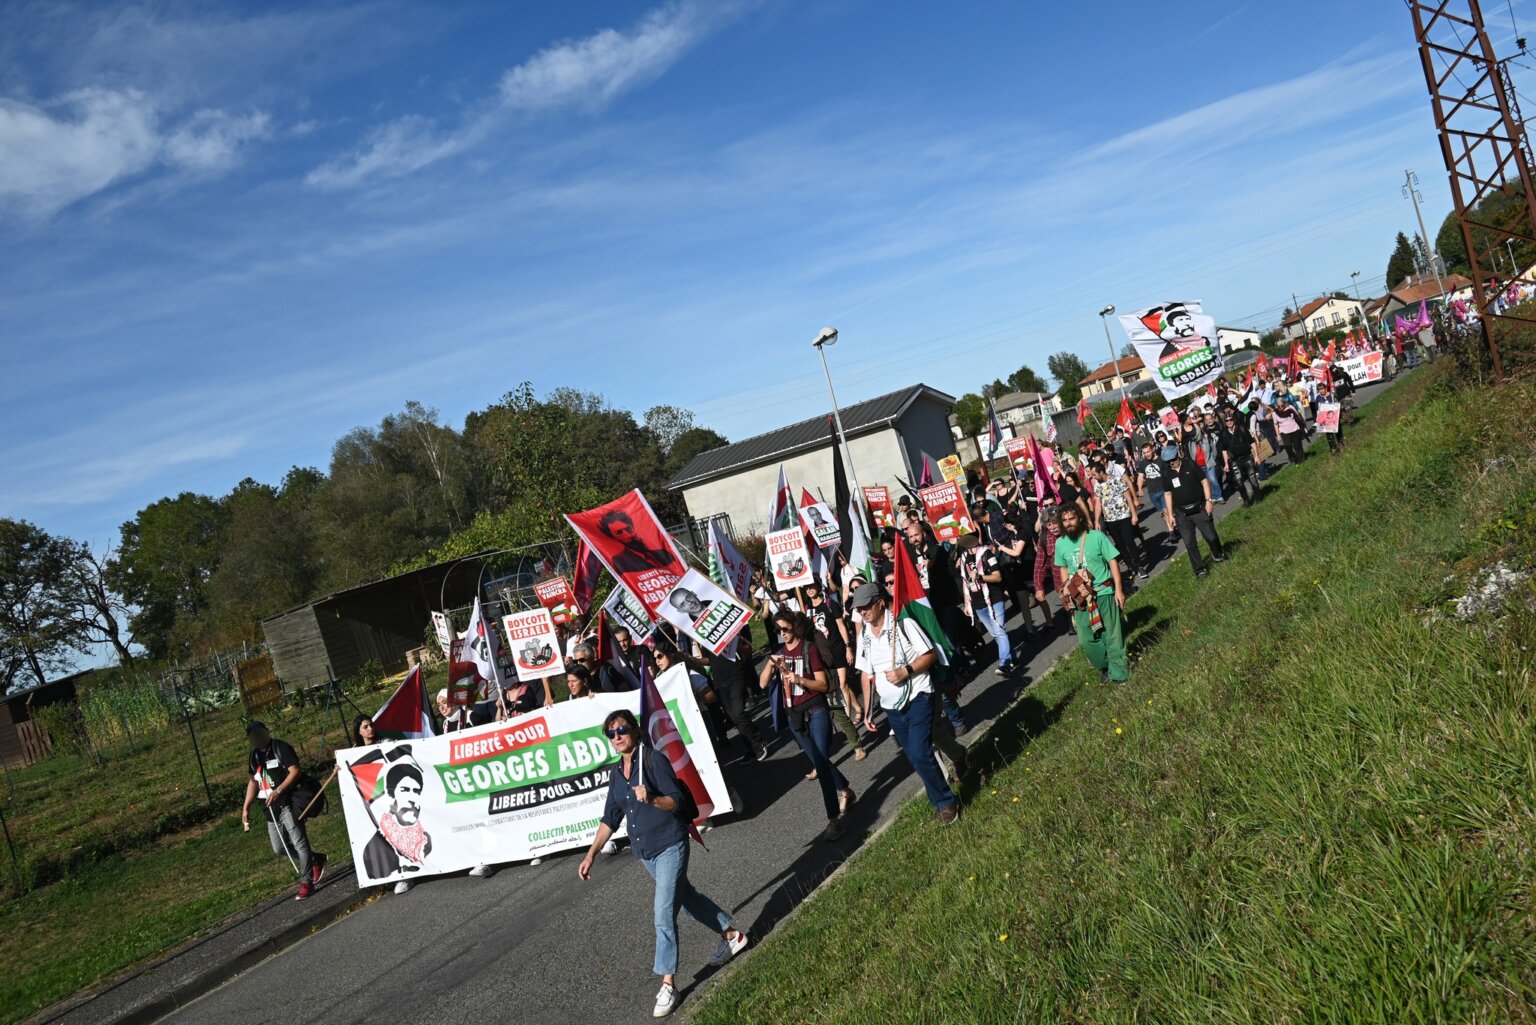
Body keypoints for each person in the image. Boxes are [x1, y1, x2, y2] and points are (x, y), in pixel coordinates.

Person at [578, 709, 748, 1018]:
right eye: (611, 733)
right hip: (646, 853)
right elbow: (609, 819)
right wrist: (591, 854)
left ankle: (668, 984)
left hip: (671, 844)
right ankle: (732, 935)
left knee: (663, 914)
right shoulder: (617, 773)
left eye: (622, 730)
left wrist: (653, 798)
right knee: (687, 900)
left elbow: (677, 801)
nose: (617, 736)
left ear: (635, 730)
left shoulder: (653, 760)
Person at [849, 582, 966, 824]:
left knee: (921, 753)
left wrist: (906, 671)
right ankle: (950, 776)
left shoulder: (903, 624)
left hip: (919, 696)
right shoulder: (864, 636)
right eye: (858, 609)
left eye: (866, 606)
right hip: (891, 706)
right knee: (914, 756)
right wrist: (868, 711)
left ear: (880, 602)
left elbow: (930, 655)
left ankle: (946, 803)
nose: (862, 612)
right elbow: (866, 674)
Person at [758, 611, 855, 840]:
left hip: (815, 709)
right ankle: (845, 790)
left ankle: (834, 820)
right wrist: (770, 665)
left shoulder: (809, 649)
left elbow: (822, 685)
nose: (782, 634)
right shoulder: (779, 653)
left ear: (794, 627)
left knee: (820, 763)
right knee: (819, 761)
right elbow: (762, 684)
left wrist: (800, 679)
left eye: (785, 629)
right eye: (778, 630)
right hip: (794, 716)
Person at [242, 721, 325, 901]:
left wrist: (279, 791)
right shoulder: (254, 755)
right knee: (279, 848)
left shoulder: (280, 748)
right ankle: (315, 859)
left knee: (299, 842)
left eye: (260, 733)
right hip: (269, 809)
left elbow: (295, 771)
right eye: (254, 736)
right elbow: (254, 781)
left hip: (288, 802)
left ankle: (306, 882)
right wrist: (246, 807)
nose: (258, 737)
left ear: (267, 732)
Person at [1051, 506, 1130, 685]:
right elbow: (1063, 568)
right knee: (1086, 639)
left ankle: (1119, 674)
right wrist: (1067, 592)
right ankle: (1105, 666)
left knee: (1112, 633)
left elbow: (1112, 562)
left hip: (1103, 592)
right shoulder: (1060, 543)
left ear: (1079, 518)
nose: (1068, 523)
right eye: (1064, 520)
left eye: (1071, 519)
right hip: (1080, 598)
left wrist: (1118, 589)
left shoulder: (1097, 536)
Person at [955, 530, 1015, 676]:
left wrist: (981, 577)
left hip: (993, 599)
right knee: (996, 633)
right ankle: (1013, 658)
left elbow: (997, 577)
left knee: (999, 631)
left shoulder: (987, 554)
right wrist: (967, 604)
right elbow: (963, 580)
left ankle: (1004, 664)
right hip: (978, 603)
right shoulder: (963, 558)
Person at [1161, 447, 1226, 579]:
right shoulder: (1167, 473)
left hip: (1200, 507)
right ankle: (1199, 570)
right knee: (1190, 544)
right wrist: (1170, 515)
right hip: (1182, 513)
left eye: (1173, 459)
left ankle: (1218, 554)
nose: (1171, 463)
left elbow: (1204, 481)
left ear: (1178, 455)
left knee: (1211, 537)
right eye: (1168, 461)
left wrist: (1208, 500)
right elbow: (1167, 494)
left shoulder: (1190, 464)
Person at [361, 760, 432, 882]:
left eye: (416, 791)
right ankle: (404, 879)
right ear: (390, 795)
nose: (412, 798)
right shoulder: (375, 848)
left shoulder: (426, 841)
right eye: (405, 790)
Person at [1091, 463, 1148, 579]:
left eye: (1094, 474)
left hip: (1124, 516)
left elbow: (1128, 498)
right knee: (1120, 545)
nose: (1093, 477)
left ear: (1101, 472)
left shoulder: (1117, 480)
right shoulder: (1097, 486)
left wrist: (1134, 514)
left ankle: (1139, 566)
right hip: (1110, 520)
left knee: (1129, 541)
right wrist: (1096, 521)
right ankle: (1130, 565)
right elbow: (1098, 505)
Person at [600, 509, 682, 574]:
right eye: (619, 532)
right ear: (613, 538)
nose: (628, 535)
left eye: (628, 529)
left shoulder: (663, 553)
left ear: (633, 527)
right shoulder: (621, 563)